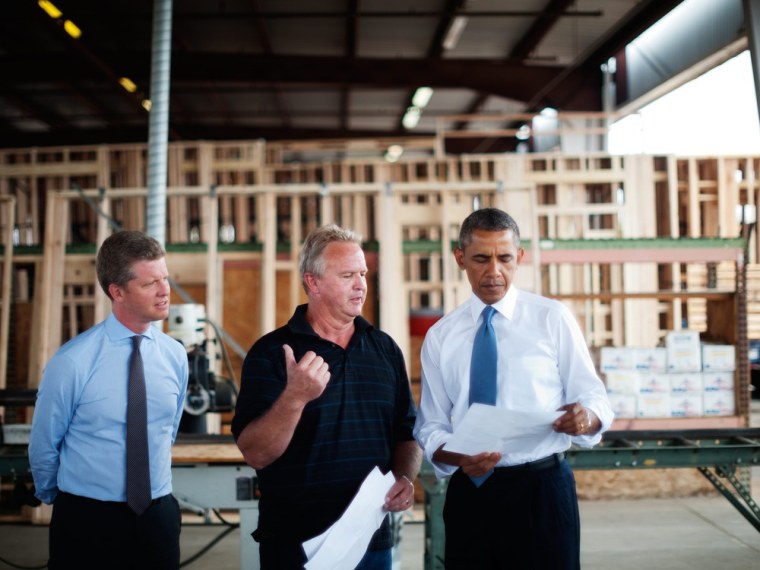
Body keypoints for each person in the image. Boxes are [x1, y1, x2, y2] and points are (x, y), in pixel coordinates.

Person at [413, 208, 614, 569]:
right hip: (471, 493)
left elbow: (594, 397)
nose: (494, 272)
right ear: (460, 259)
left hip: (543, 491)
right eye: (480, 259)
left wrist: (587, 418)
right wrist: (459, 458)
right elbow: (430, 426)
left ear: (519, 257)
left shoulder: (551, 319)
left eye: (505, 258)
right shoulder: (441, 337)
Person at [232, 223, 421, 569]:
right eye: (347, 274)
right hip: (297, 546)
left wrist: (406, 478)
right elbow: (256, 453)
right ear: (312, 282)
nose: (361, 284)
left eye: (363, 273)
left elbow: (407, 433)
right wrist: (295, 397)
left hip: (371, 543)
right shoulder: (272, 353)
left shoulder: (384, 349)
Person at [29, 230, 189, 570]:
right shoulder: (73, 361)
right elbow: (44, 444)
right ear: (116, 291)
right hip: (88, 520)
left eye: (165, 278)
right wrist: (60, 499)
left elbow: (166, 430)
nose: (165, 292)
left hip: (157, 517)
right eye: (149, 284)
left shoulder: (175, 356)